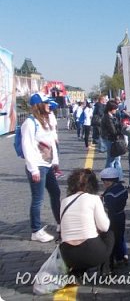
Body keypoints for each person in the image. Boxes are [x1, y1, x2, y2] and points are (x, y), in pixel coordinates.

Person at [22, 92, 61, 243]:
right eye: (47, 103)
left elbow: (52, 144)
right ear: (39, 105)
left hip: (48, 165)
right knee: (38, 199)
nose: (50, 105)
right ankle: (36, 230)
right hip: (38, 166)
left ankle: (59, 222)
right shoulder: (30, 123)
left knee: (55, 193)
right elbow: (27, 147)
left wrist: (55, 162)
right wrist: (33, 169)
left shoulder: (46, 120)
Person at [59, 169, 114, 275]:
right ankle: (105, 270)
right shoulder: (94, 199)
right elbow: (104, 227)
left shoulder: (64, 201)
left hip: (68, 255)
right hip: (91, 253)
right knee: (110, 234)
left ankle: (77, 270)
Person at [100, 167, 128, 270]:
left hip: (113, 217)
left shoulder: (110, 194)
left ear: (113, 180)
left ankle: (118, 258)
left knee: (113, 238)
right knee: (120, 236)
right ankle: (124, 254)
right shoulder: (121, 188)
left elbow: (109, 207)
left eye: (107, 181)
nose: (105, 183)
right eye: (104, 180)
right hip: (121, 215)